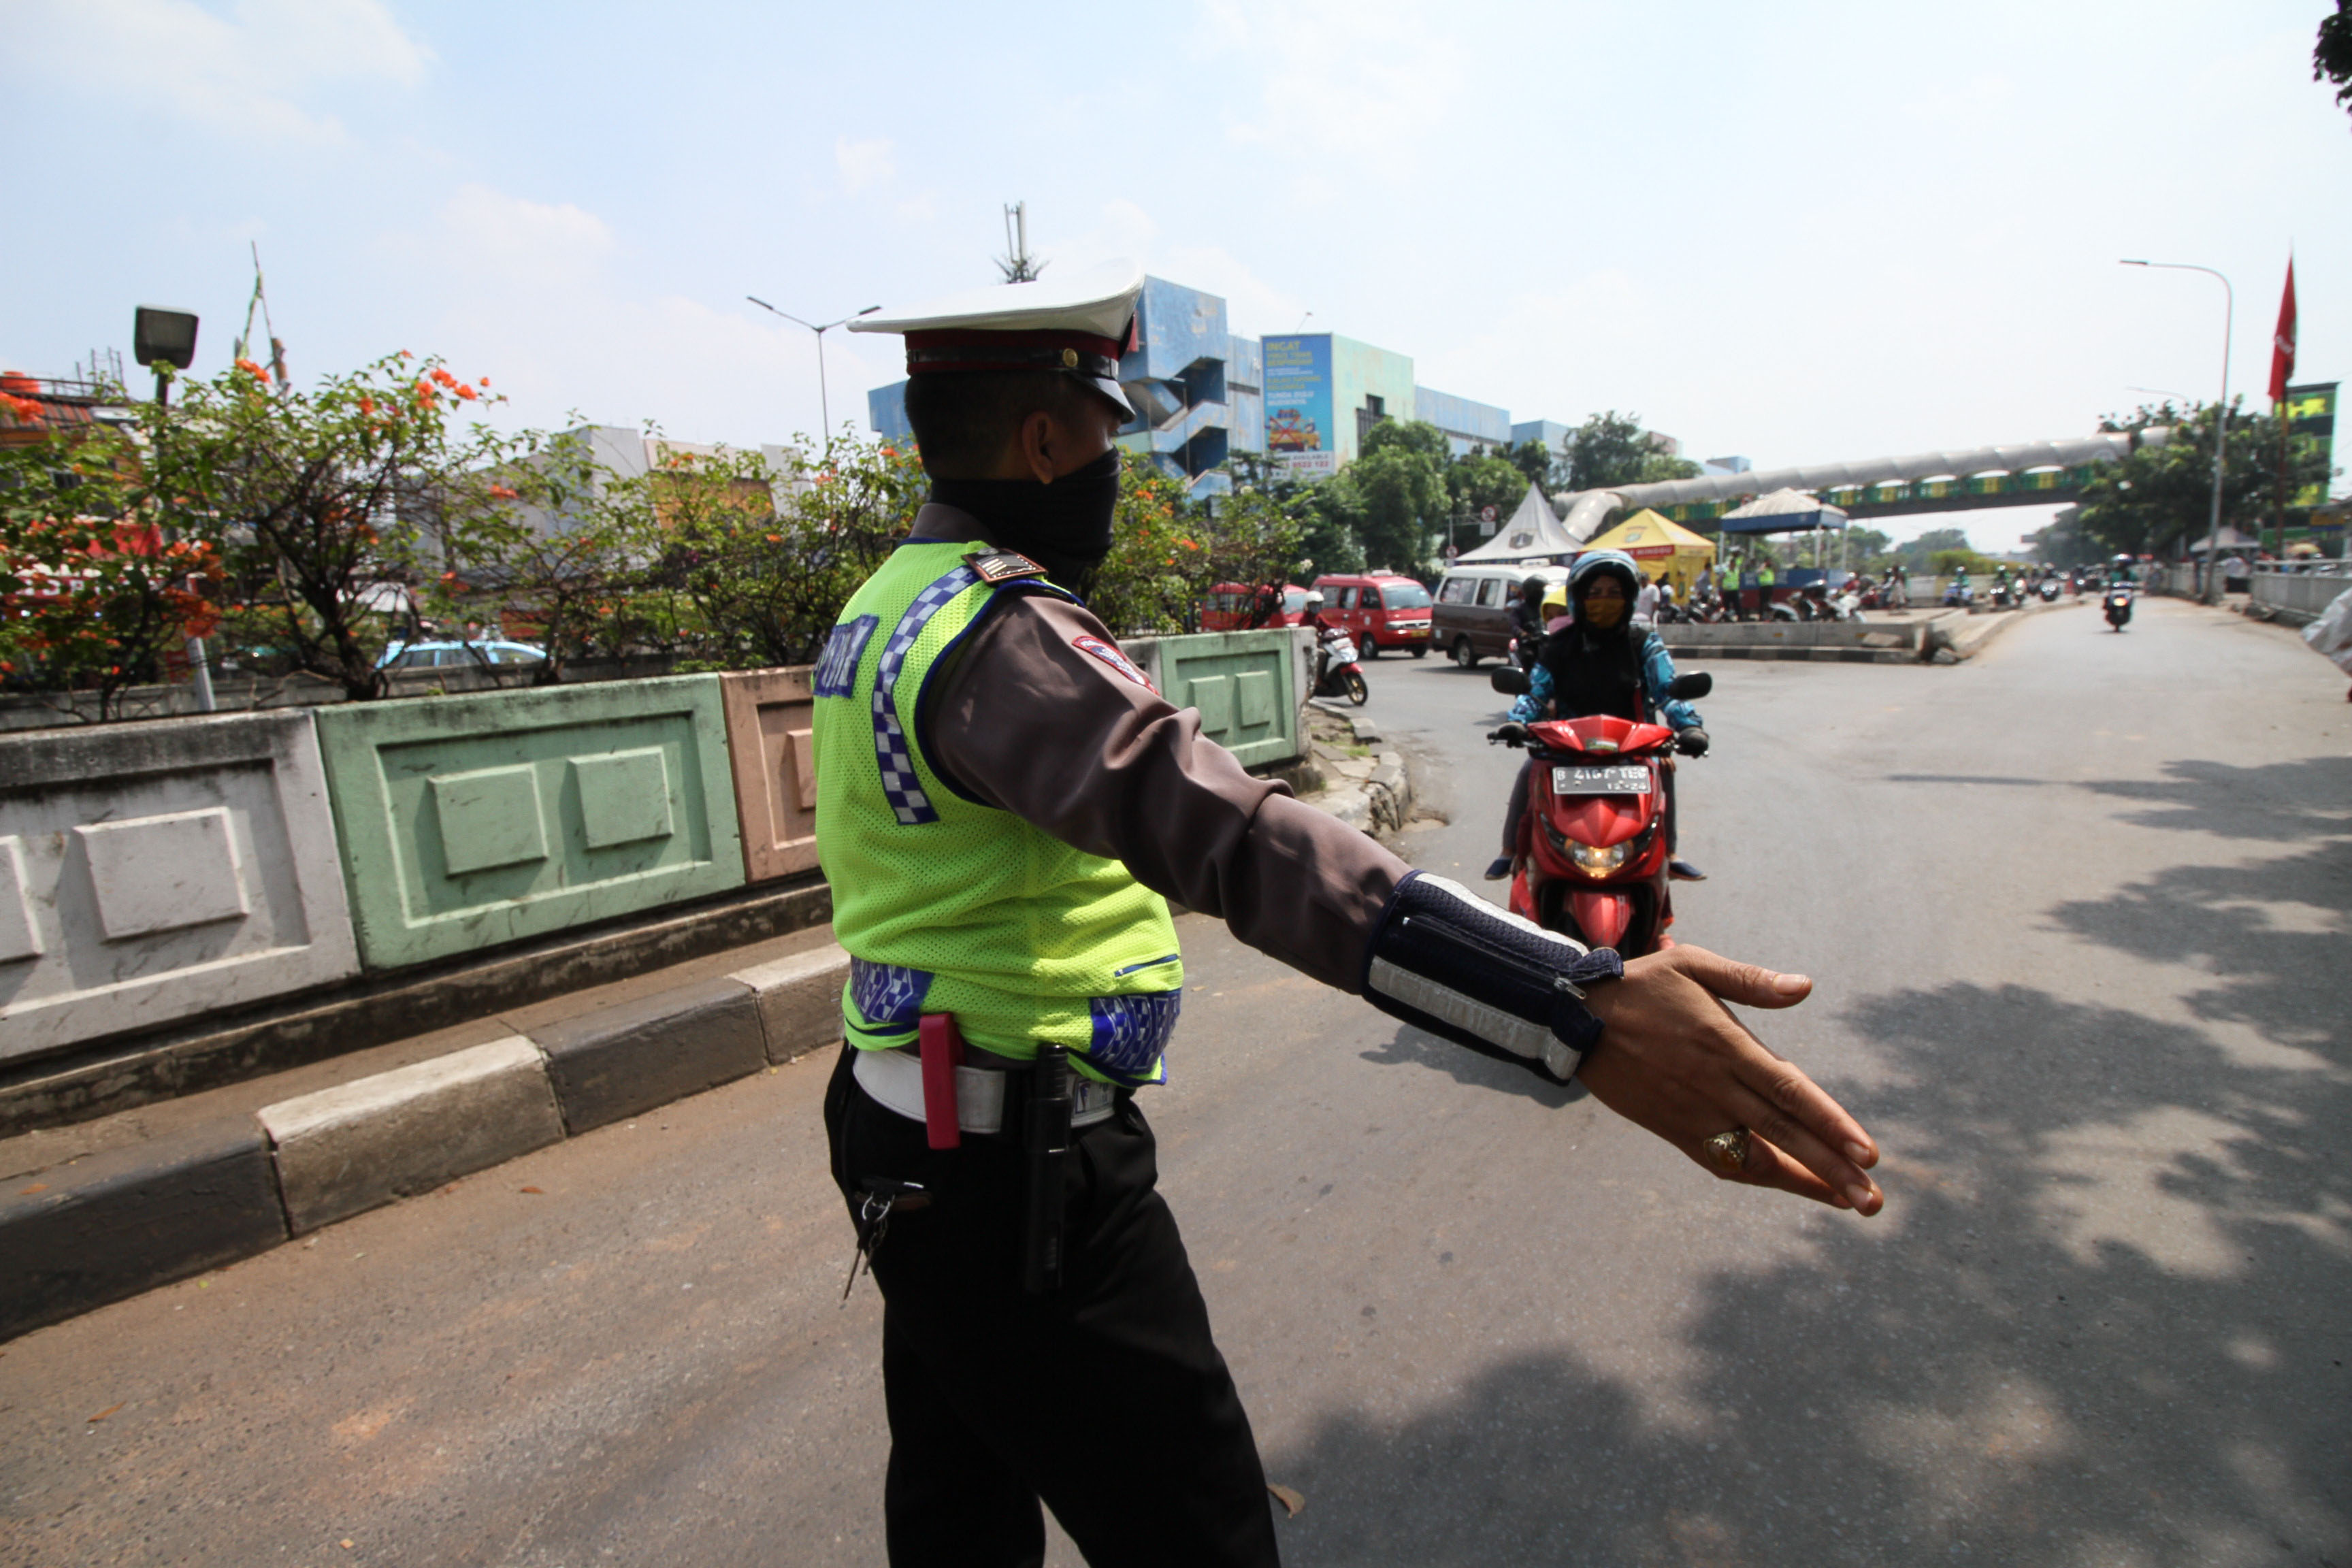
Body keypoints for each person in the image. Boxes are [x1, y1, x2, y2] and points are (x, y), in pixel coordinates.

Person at [820, 261, 1882, 1568]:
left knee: (958, 1513)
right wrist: (1572, 1001)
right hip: (1022, 1171)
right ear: (1047, 440)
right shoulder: (1003, 633)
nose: (1116, 467)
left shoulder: (885, 607)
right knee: (1203, 1536)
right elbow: (1238, 839)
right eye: (1108, 434)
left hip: (908, 1131)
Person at [1485, 550, 1709, 885]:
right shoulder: (1559, 646)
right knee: (1531, 768)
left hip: (1633, 751)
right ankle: (1508, 850)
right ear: (1579, 598)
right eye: (1596, 593)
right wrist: (1517, 722)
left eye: (1614, 594)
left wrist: (1689, 726)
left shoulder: (1644, 643)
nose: (1605, 602)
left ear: (1630, 598)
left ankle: (1670, 855)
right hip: (1569, 750)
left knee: (1665, 768)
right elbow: (1536, 694)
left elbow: (1667, 691)